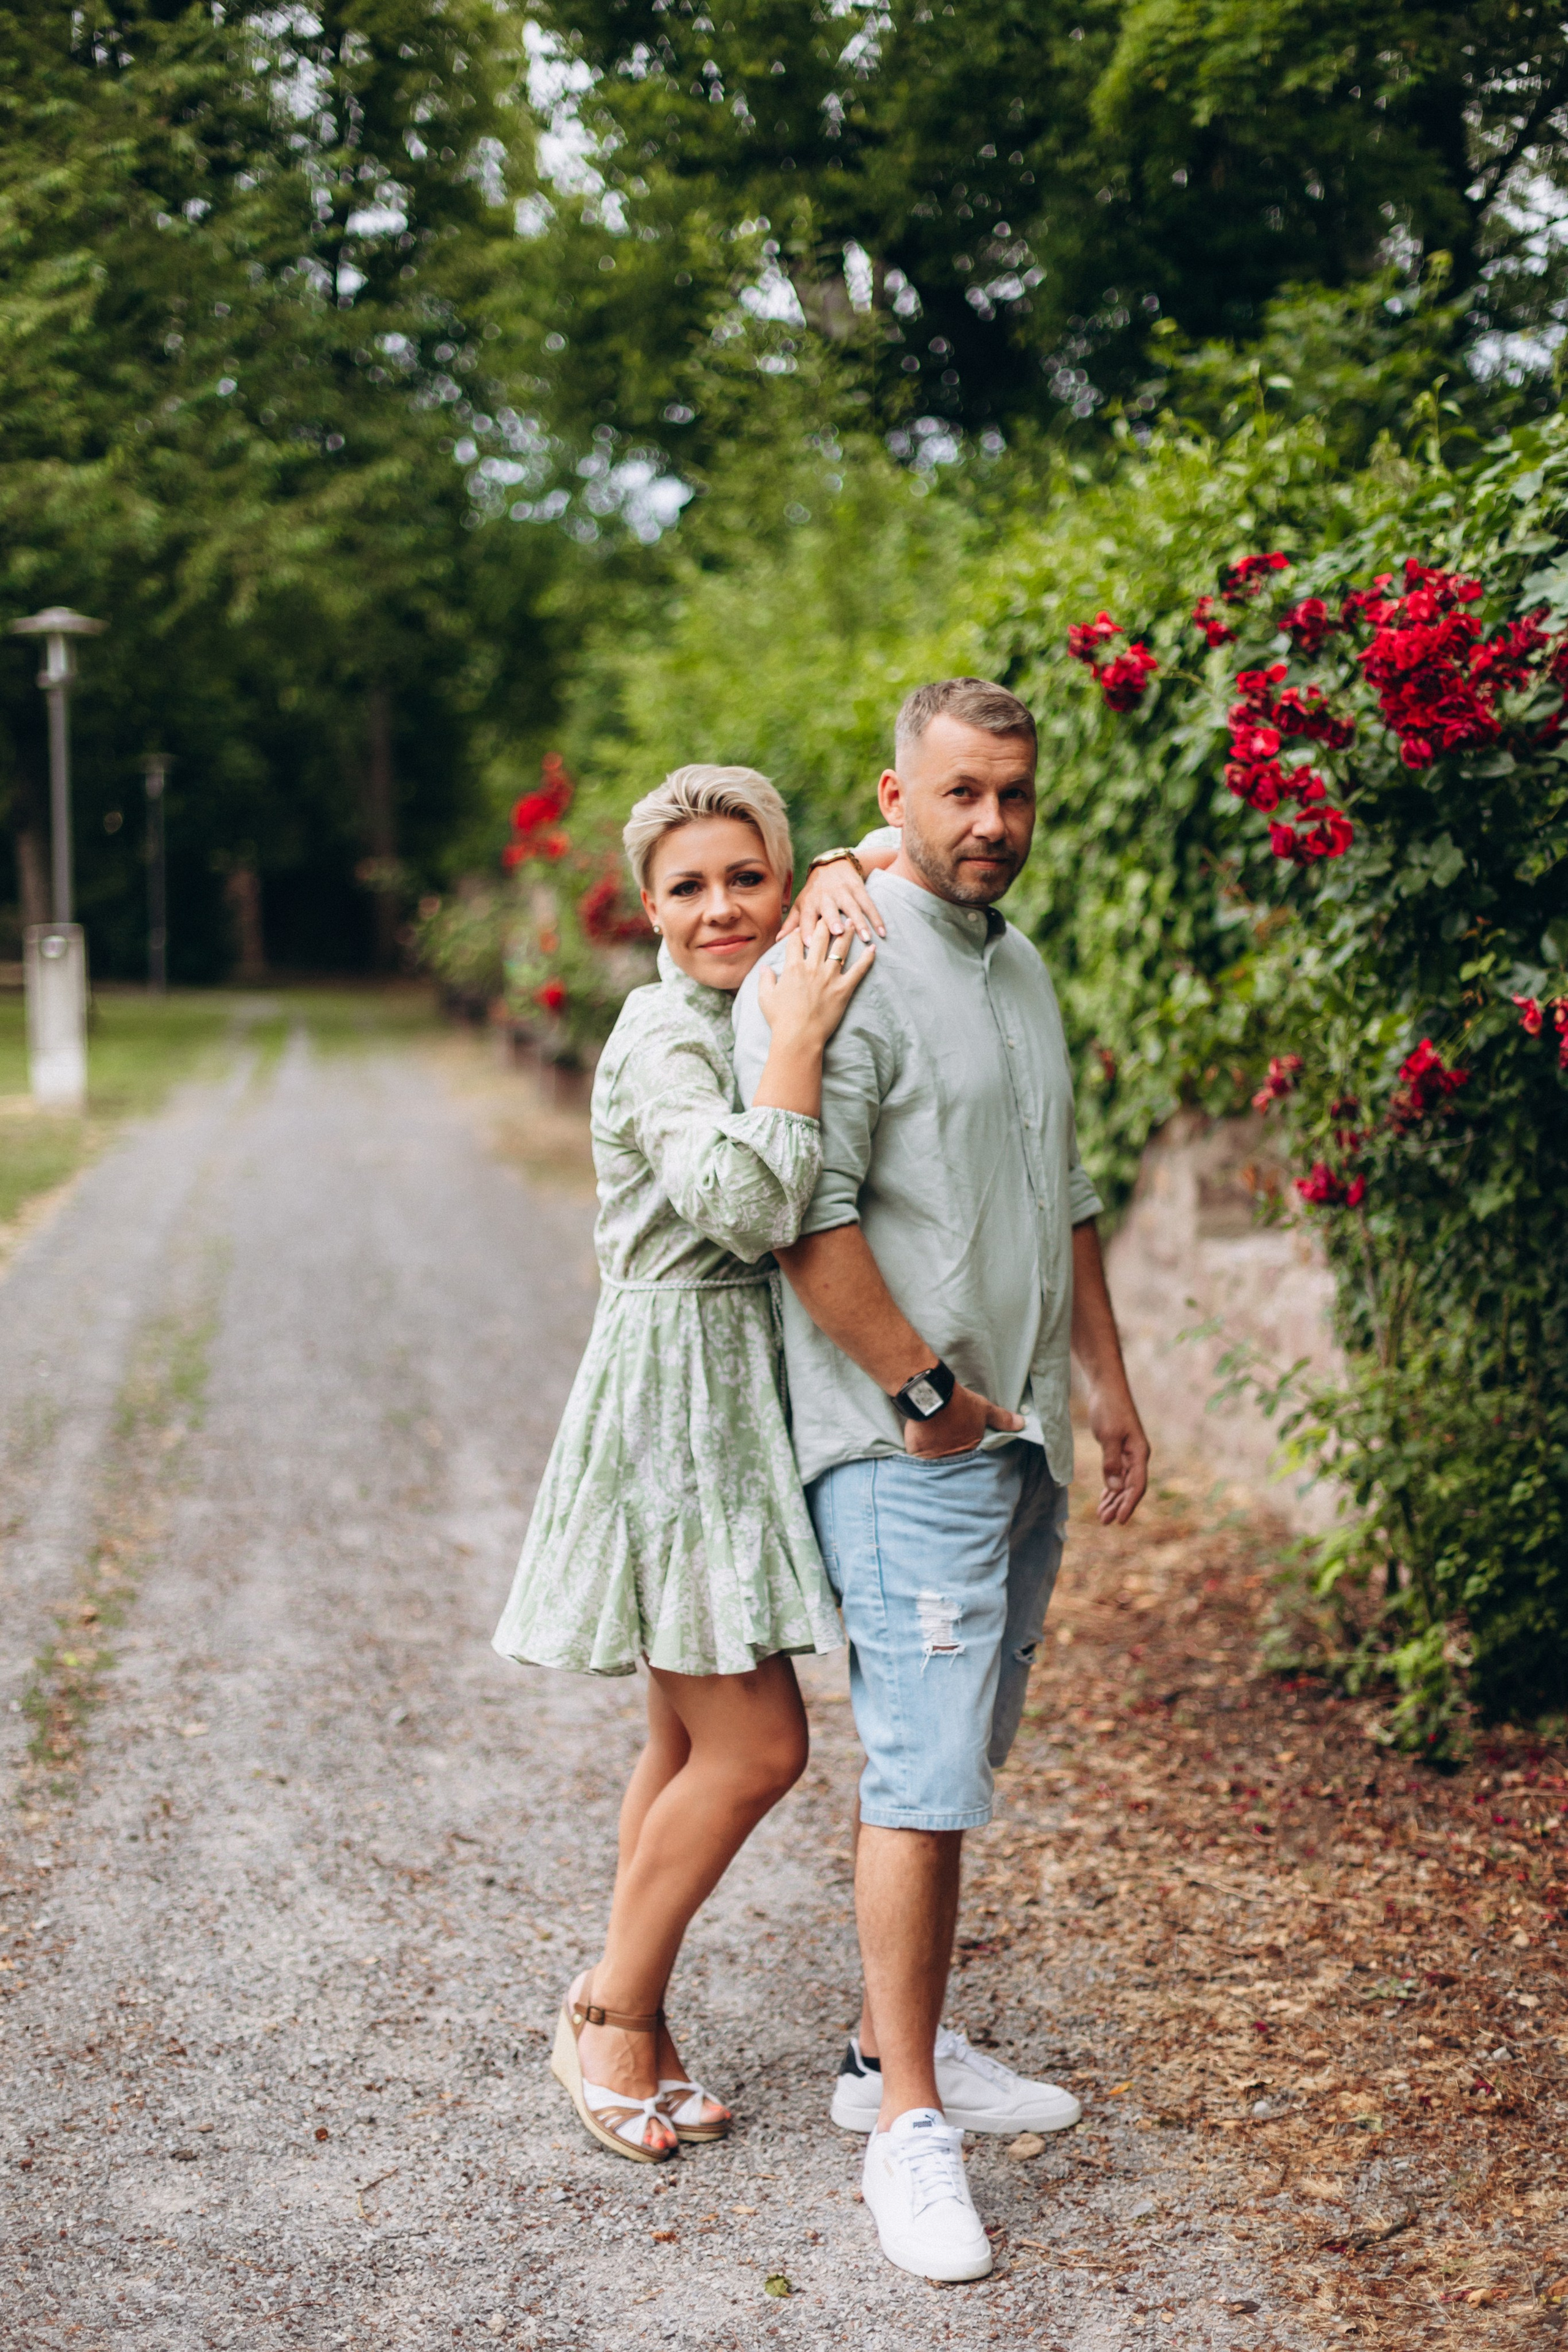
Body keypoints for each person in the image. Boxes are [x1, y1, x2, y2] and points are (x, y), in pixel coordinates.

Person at [733, 678, 1150, 2281]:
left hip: (1016, 1430)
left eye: (1016, 796)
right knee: (919, 1769)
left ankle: (875, 2053)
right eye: (962, 793)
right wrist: (919, 1389)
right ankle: (909, 2128)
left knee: (955, 1753)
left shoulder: (1020, 961)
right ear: (891, 795)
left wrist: (1106, 1382)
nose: (994, 824)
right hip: (909, 1440)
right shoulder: (836, 951)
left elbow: (1066, 1182)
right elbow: (800, 1208)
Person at [492, 764, 879, 2163]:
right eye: (686, 887)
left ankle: (637, 2026)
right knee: (760, 1744)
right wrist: (800, 1036)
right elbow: (743, 1200)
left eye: (746, 877)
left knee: (679, 1738)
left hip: (727, 1396)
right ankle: (607, 2007)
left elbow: (906, 835)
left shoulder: (741, 993)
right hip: (677, 1404)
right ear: (646, 910)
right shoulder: (668, 1033)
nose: (719, 907)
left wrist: (842, 852)